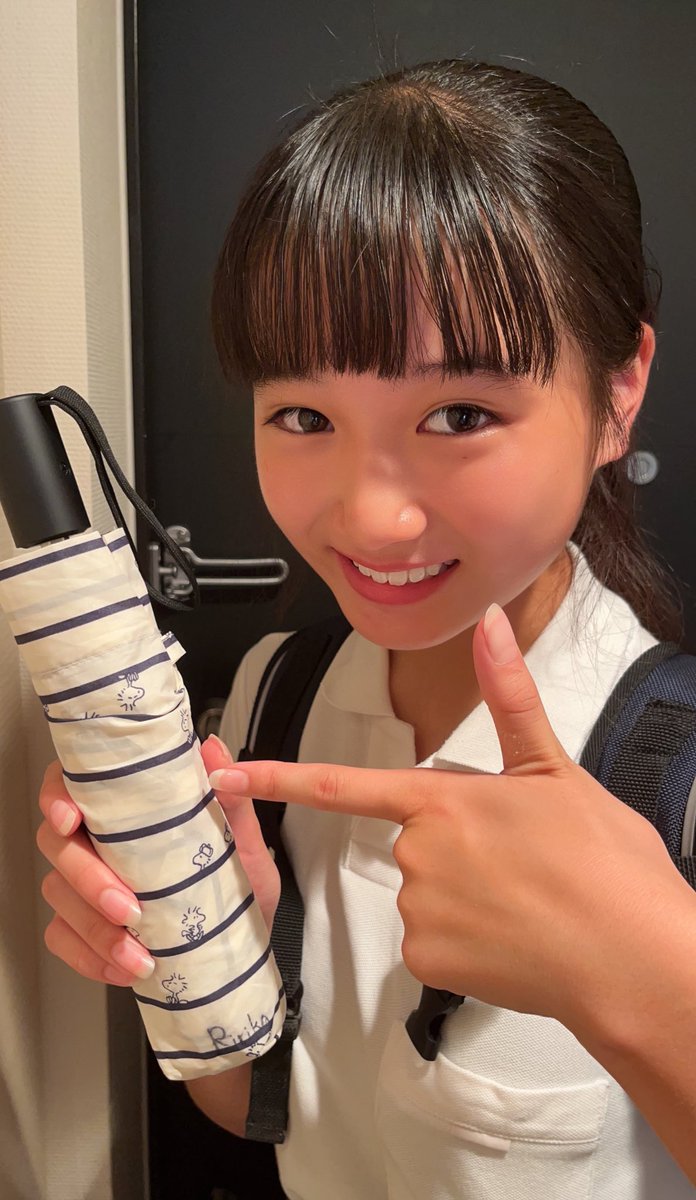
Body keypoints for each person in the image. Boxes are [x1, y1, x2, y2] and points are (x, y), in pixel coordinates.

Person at [35, 57, 696, 1199]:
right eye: (303, 415)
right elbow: (264, 1110)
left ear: (620, 390)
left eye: (460, 413)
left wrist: (650, 976)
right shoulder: (274, 696)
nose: (371, 518)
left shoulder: (674, 775)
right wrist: (199, 958)